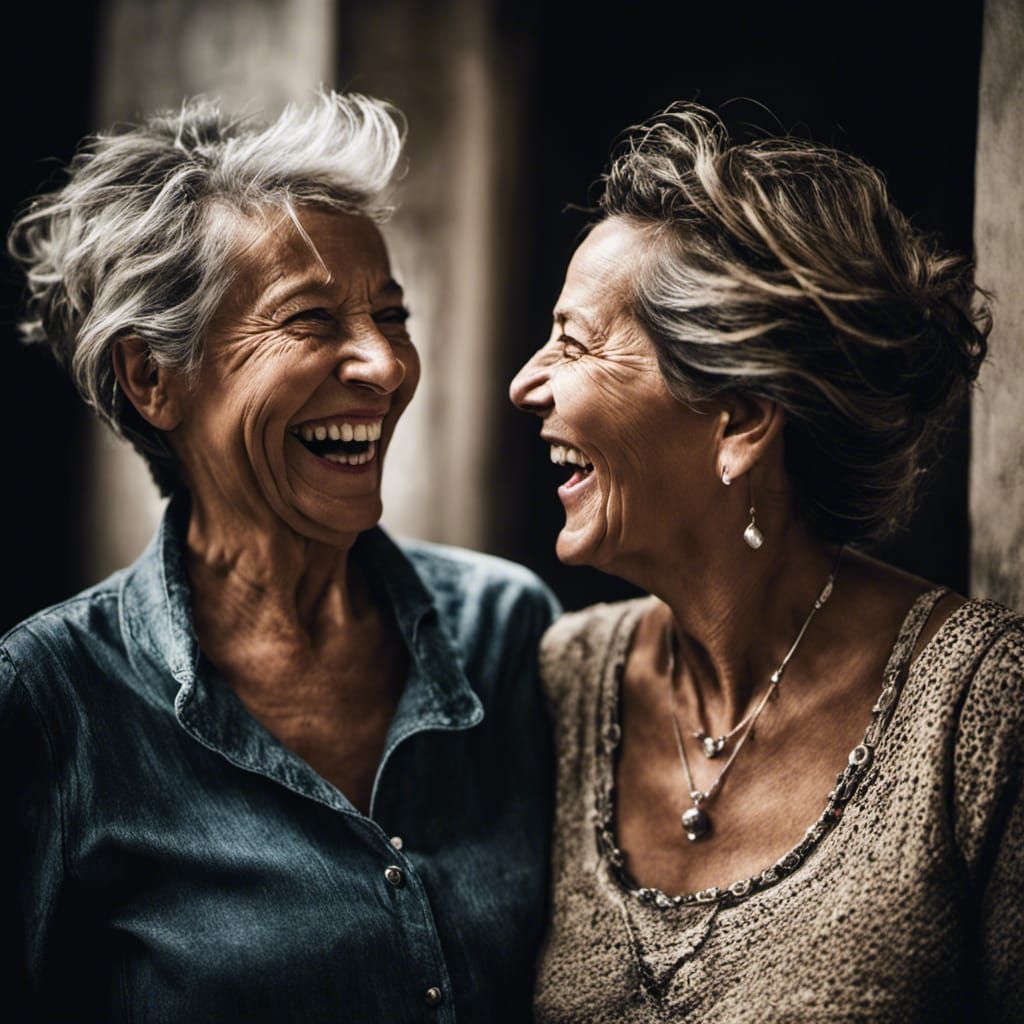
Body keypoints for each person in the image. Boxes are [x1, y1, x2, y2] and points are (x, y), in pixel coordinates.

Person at [3, 91, 558, 1023]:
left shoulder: (509, 631)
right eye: (309, 321)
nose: (384, 367)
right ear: (152, 378)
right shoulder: (49, 701)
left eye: (391, 315)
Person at [510, 104, 1022, 1022]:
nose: (526, 383)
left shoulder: (980, 707)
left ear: (740, 420)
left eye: (575, 342)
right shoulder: (566, 682)